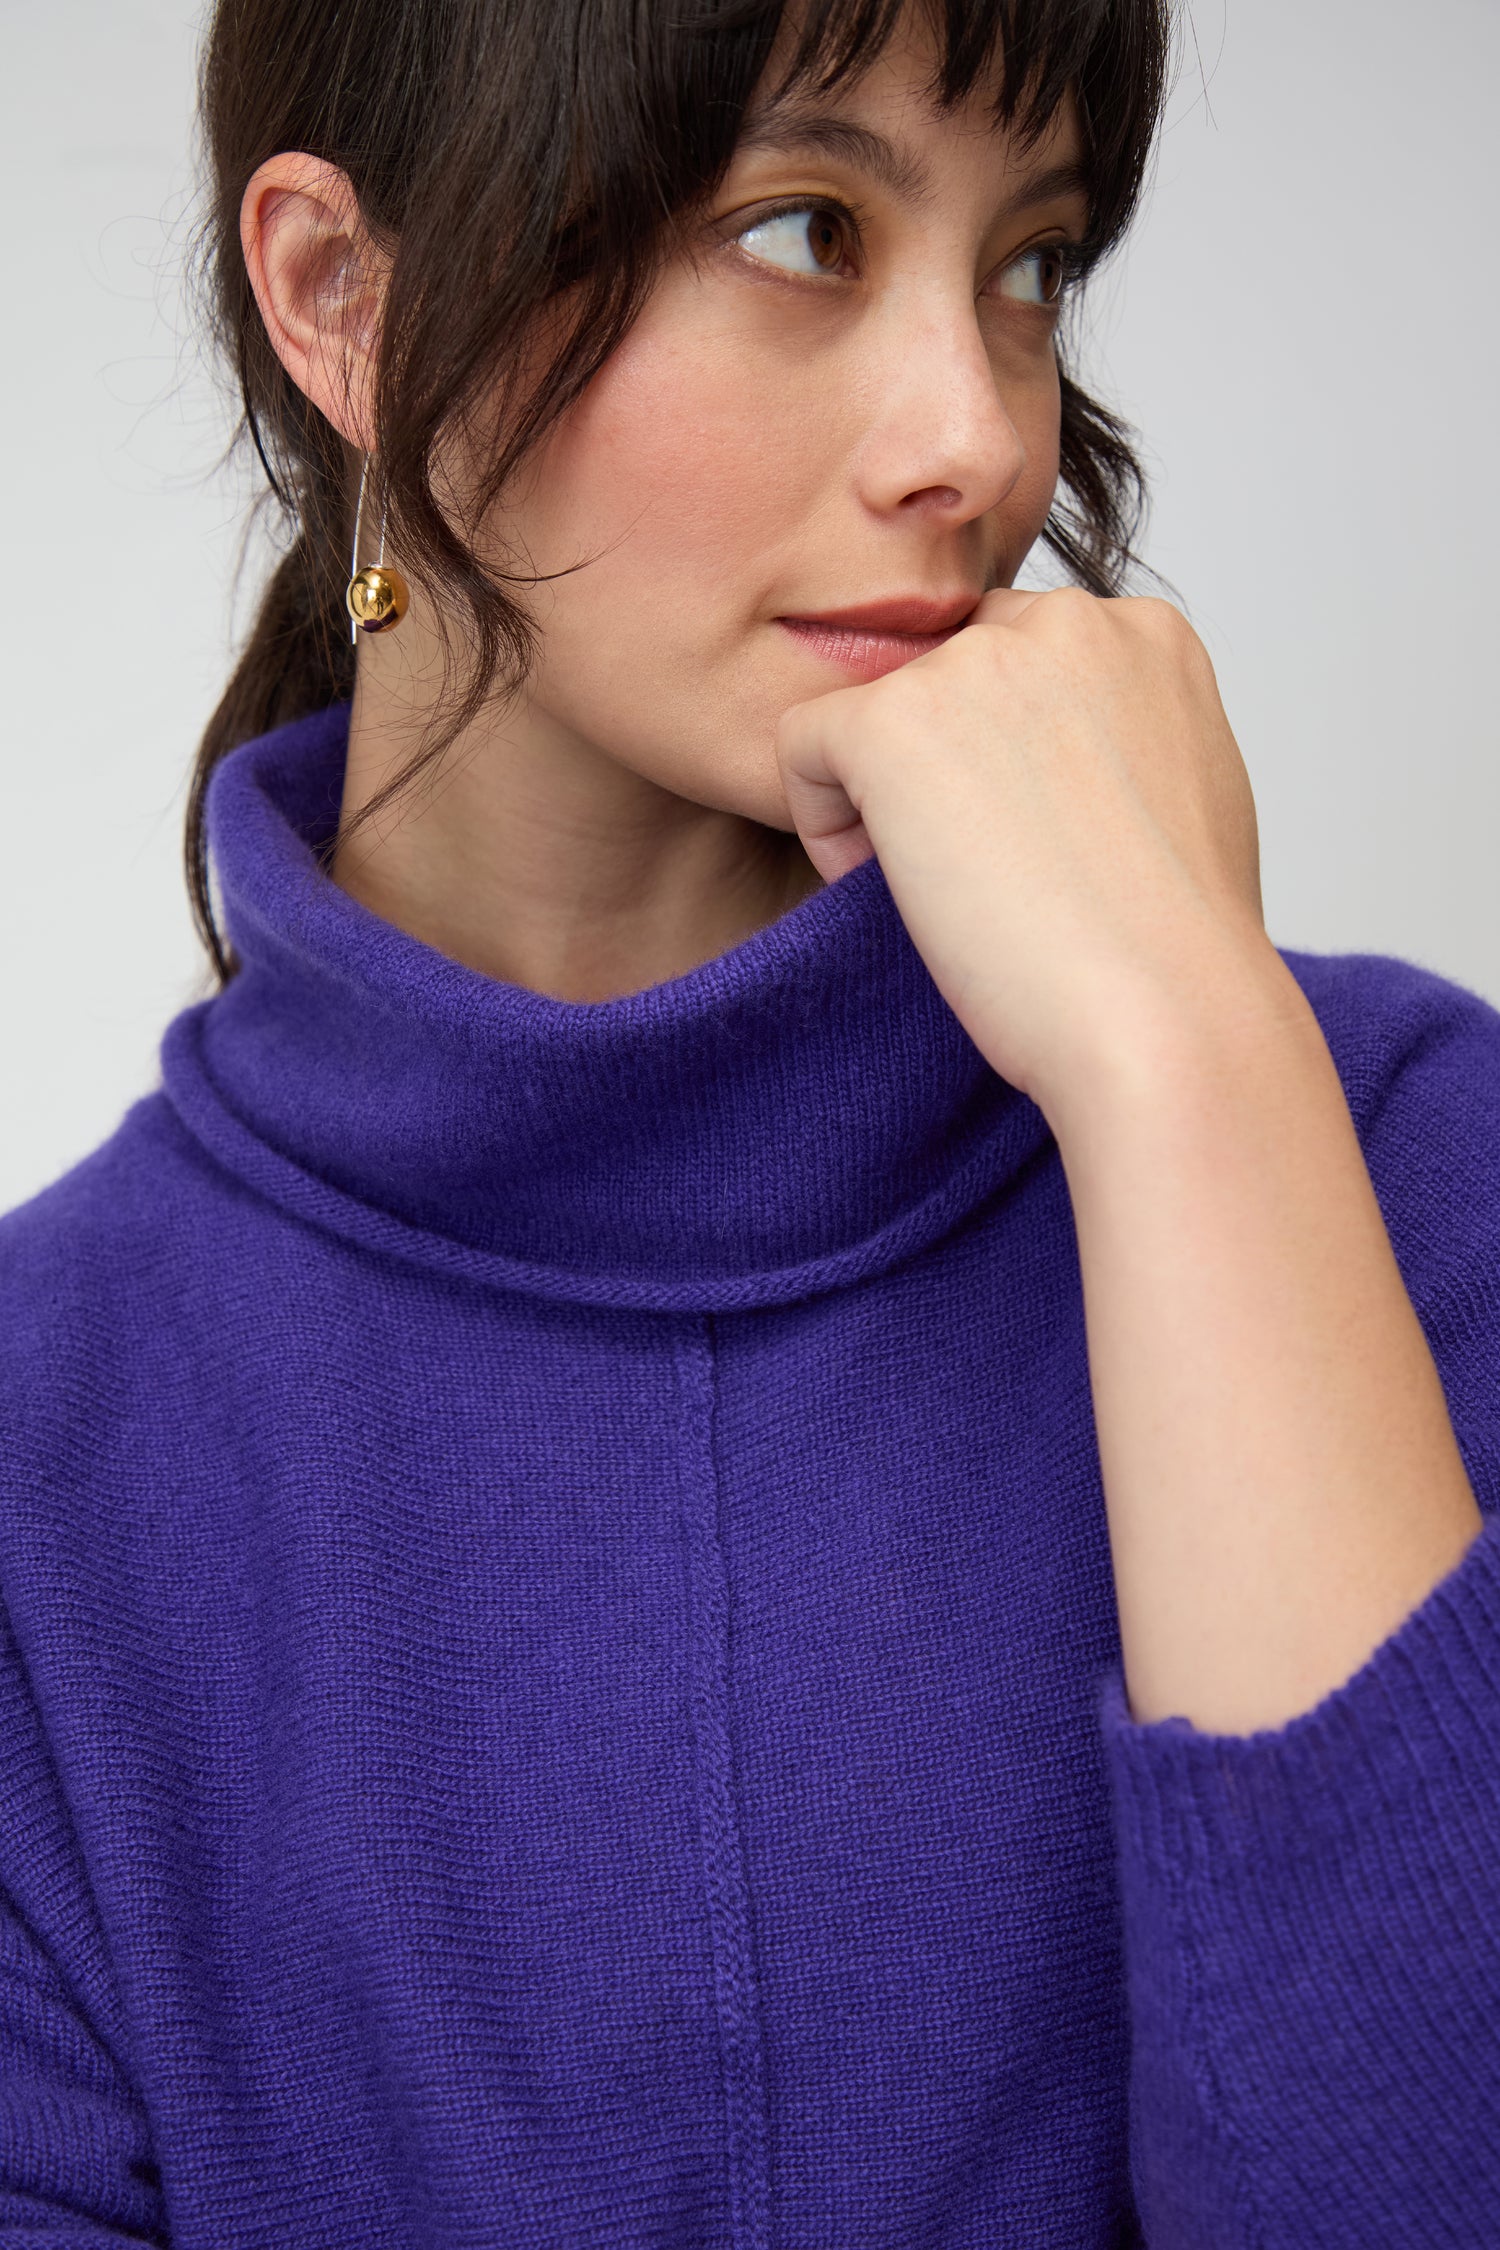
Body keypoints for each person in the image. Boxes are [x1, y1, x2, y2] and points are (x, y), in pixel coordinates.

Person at [2, 0, 1497, 2242]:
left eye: (1034, 261)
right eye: (809, 227)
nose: (980, 440)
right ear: (344, 298)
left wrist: (1190, 1082)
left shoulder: (1385, 1159)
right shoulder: (48, 1449)